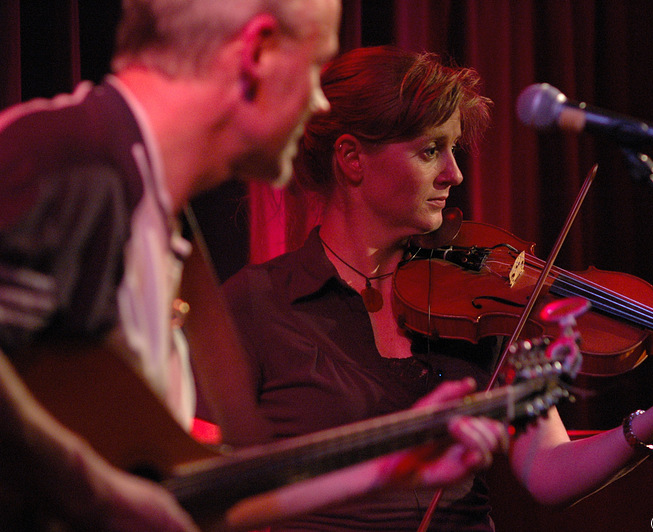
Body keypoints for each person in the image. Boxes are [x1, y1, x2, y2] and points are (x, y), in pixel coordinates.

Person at [0, 3, 507, 530]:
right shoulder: (66, 155)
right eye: (315, 69)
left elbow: (209, 495)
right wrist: (101, 496)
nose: (317, 103)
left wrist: (392, 468)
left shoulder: (162, 223)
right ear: (257, 53)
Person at [222, 45, 653, 530]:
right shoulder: (258, 303)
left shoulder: (477, 295)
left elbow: (546, 472)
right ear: (352, 159)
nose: (455, 174)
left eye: (453, 149)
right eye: (430, 150)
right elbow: (215, 491)